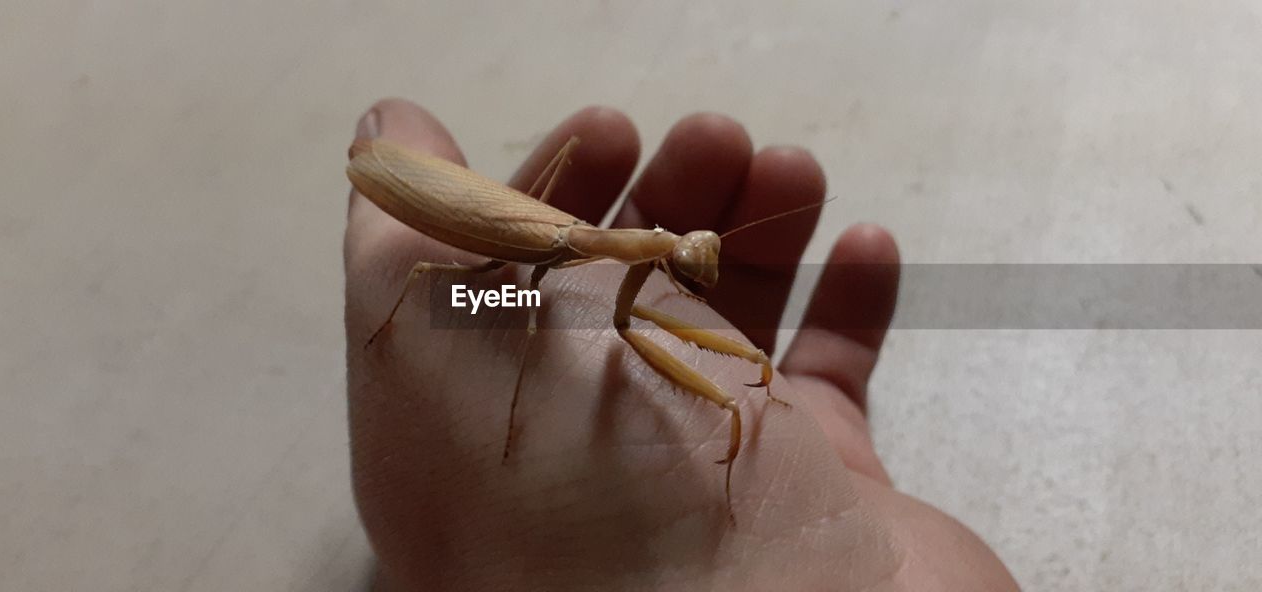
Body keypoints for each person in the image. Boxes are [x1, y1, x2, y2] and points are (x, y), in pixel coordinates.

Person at [344, 98, 1019, 591]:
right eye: (693, 269)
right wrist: (515, 413)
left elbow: (618, 320)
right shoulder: (576, 262)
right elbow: (599, 316)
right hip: (472, 227)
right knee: (480, 294)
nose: (700, 282)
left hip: (534, 261)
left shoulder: (607, 268)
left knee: (510, 301)